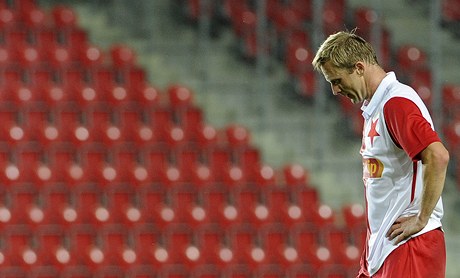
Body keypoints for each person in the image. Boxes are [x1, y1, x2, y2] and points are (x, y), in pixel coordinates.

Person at [312, 30, 450, 277]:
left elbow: (437, 156)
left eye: (337, 80)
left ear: (359, 67)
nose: (335, 90)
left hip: (410, 246)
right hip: (385, 247)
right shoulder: (377, 106)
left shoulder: (396, 103)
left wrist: (421, 218)